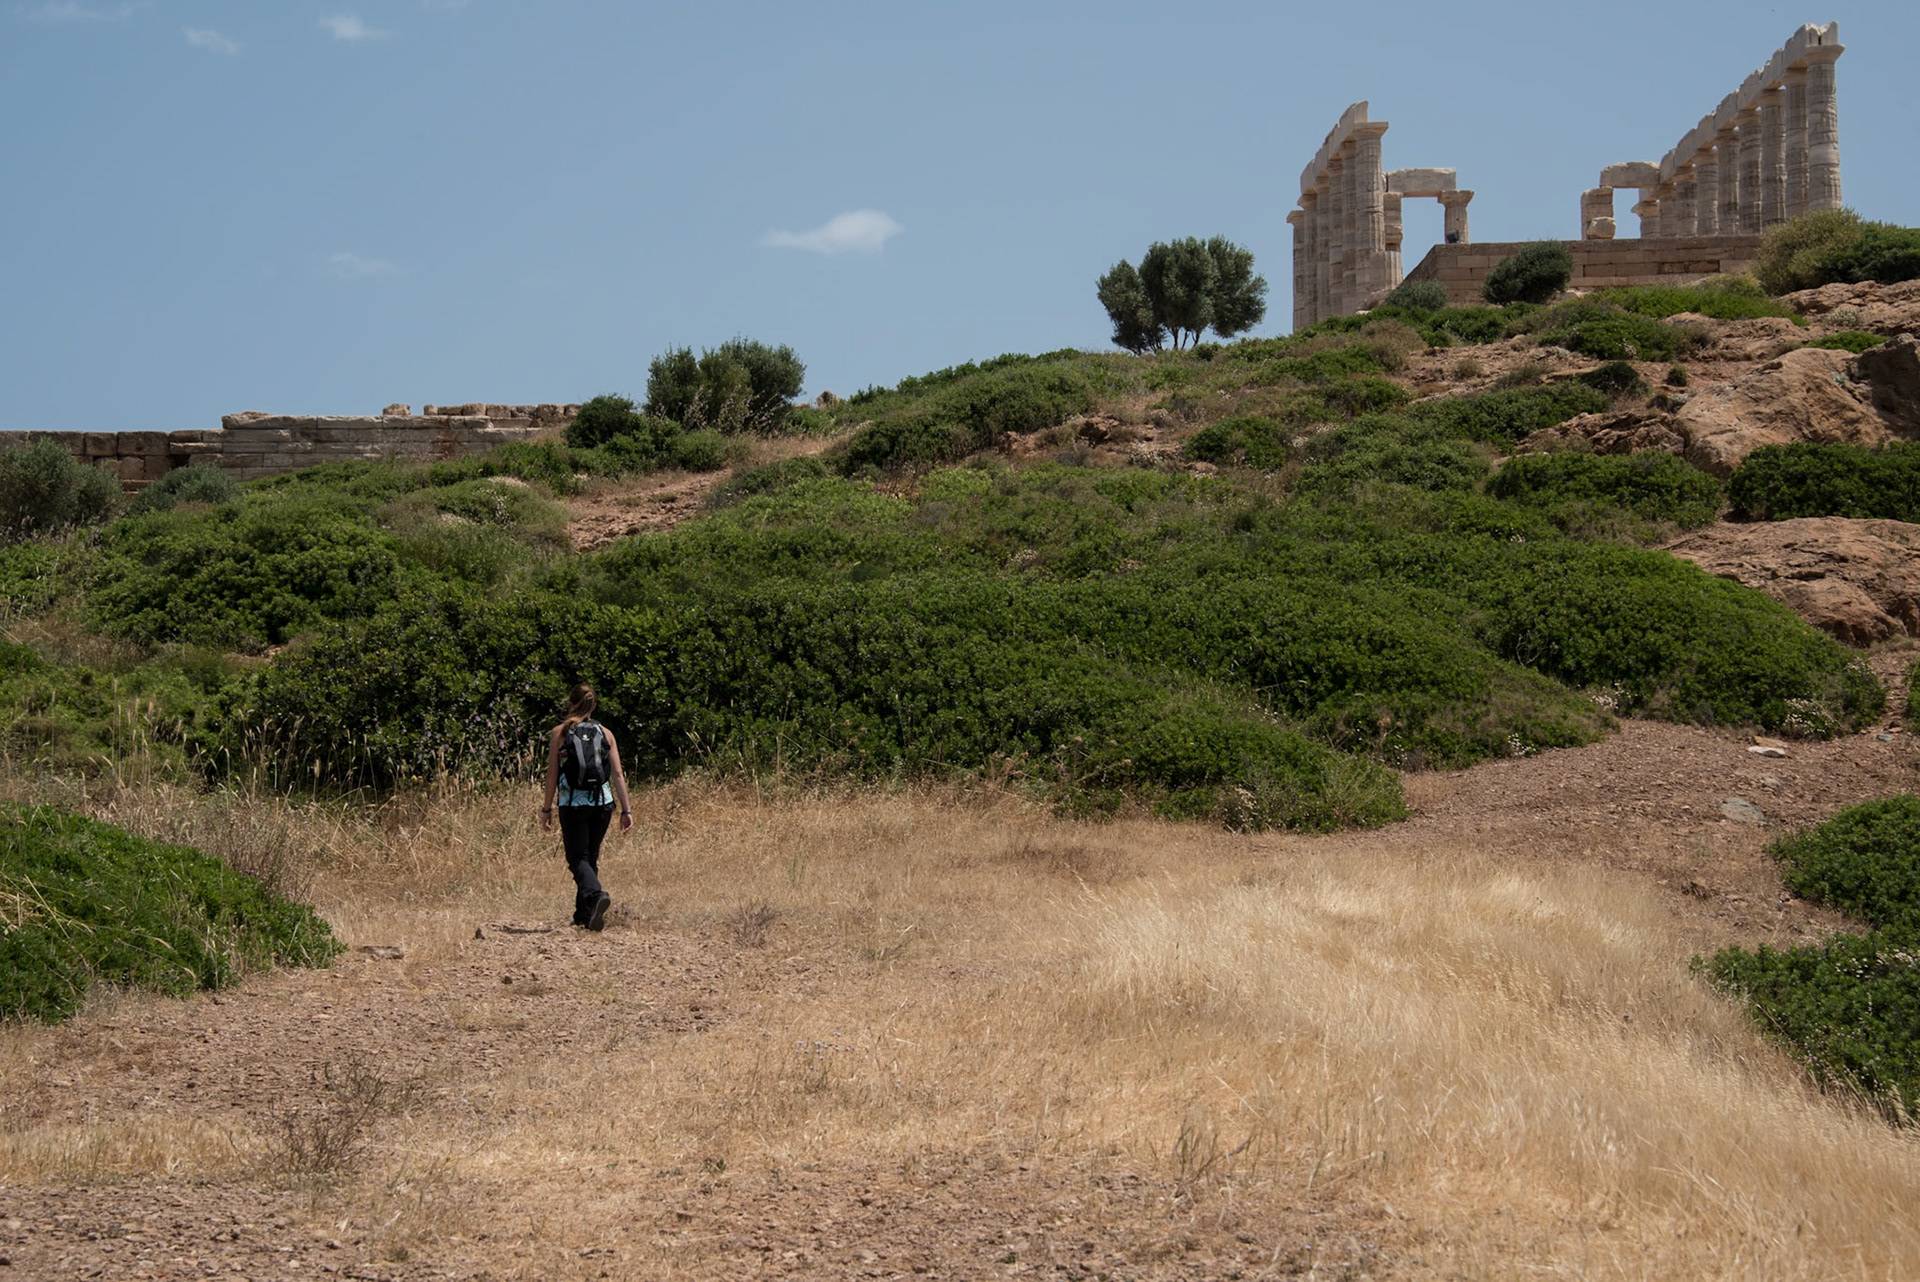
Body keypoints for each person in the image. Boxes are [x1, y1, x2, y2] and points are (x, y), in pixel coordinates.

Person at [541, 684, 633, 930]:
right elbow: (617, 773)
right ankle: (583, 915)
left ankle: (594, 896)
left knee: (577, 858)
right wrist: (626, 810)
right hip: (602, 804)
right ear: (593, 706)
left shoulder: (559, 733)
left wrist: (547, 808)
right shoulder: (606, 733)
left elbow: (552, 774)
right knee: (590, 857)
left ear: (570, 703)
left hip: (573, 804)